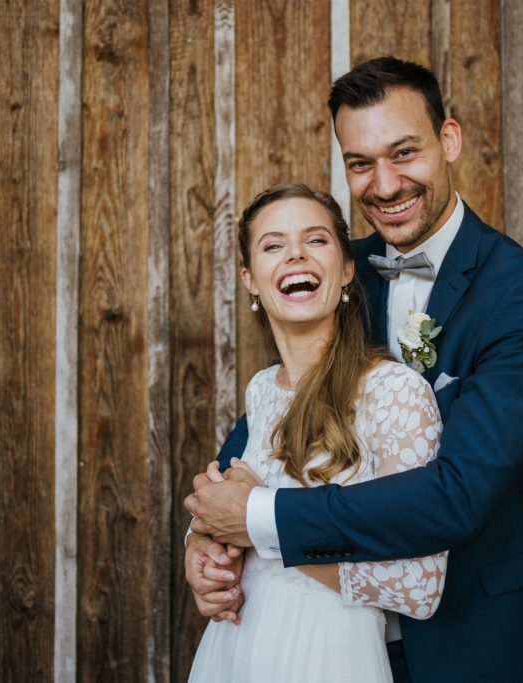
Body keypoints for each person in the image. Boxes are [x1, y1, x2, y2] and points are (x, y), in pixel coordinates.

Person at [185, 56, 523, 682]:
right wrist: (206, 539)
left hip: (476, 640)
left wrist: (258, 518)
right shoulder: (335, 268)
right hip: (329, 641)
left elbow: (458, 494)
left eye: (404, 153)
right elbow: (268, 431)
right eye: (360, 163)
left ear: (449, 140)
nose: (386, 185)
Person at [188, 182, 448, 682]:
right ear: (250, 280)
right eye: (273, 245)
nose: (295, 254)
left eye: (315, 240)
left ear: (347, 269)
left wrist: (261, 530)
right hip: (238, 645)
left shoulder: (394, 393)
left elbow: (419, 588)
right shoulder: (262, 390)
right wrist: (206, 547)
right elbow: (228, 510)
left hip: (330, 655)